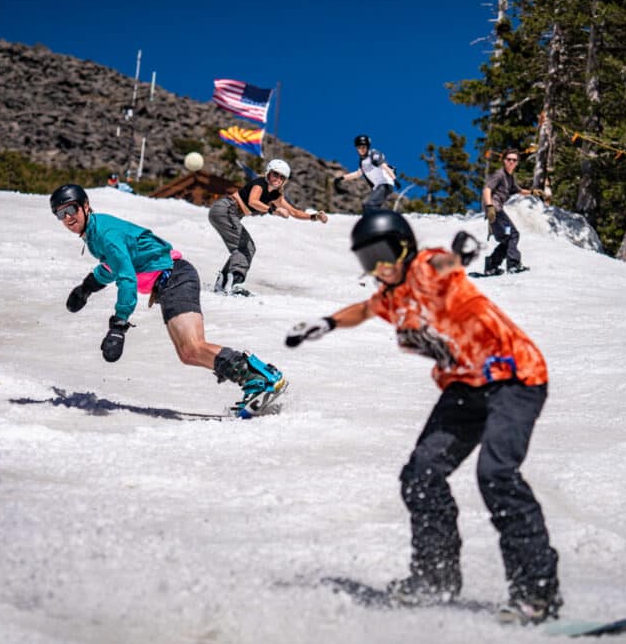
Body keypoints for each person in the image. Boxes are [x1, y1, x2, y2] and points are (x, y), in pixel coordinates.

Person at [285, 209, 562, 622]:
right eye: (367, 260)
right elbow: (364, 309)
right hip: (465, 388)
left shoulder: (425, 268)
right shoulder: (392, 296)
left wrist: (461, 254)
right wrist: (326, 322)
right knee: (421, 476)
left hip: (514, 377)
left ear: (401, 247)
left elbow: (444, 263)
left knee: (496, 474)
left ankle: (536, 593)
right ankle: (435, 578)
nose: (376, 268)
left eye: (380, 255)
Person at [49, 184, 285, 416]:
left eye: (71, 209)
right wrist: (88, 286)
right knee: (188, 353)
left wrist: (118, 325)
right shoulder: (96, 232)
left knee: (192, 346)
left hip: (174, 277)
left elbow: (127, 278)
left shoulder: (104, 234)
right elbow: (116, 264)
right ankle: (255, 377)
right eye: (60, 214)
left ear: (85, 206)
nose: (67, 217)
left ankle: (259, 378)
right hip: (171, 280)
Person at [208, 158, 328, 296]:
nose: (277, 178)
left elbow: (294, 212)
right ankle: (234, 283)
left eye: (281, 177)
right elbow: (253, 201)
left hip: (228, 212)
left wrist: (314, 216)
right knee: (245, 247)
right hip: (226, 209)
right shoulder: (260, 184)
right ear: (268, 173)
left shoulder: (275, 195)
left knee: (244, 248)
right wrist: (273, 210)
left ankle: (222, 284)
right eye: (275, 174)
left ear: (285, 180)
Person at [481, 149, 543, 275]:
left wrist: (531, 192)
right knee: (513, 234)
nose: (511, 162)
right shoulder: (499, 175)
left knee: (507, 238)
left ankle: (491, 266)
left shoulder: (510, 178)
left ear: (517, 163)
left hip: (496, 211)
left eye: (514, 160)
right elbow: (487, 189)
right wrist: (489, 207)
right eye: (509, 159)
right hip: (495, 210)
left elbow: (518, 190)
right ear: (504, 161)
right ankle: (513, 265)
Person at [337, 134, 398, 213]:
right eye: (359, 147)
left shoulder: (374, 154)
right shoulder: (362, 162)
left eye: (363, 147)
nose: (361, 149)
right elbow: (358, 174)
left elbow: (384, 165)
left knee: (369, 205)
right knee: (371, 207)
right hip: (378, 186)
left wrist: (394, 179)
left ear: (368, 146)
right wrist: (341, 178)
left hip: (385, 184)